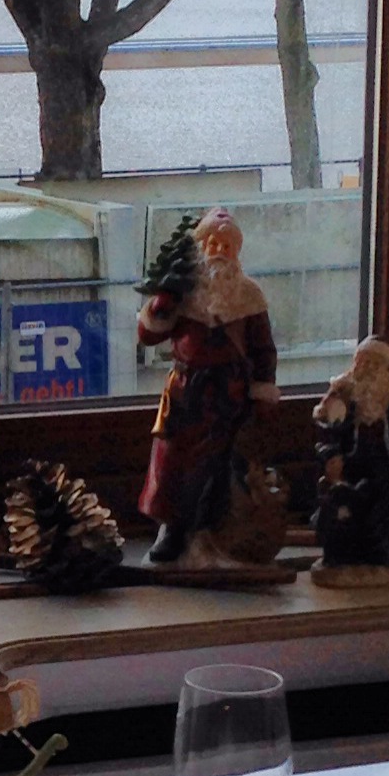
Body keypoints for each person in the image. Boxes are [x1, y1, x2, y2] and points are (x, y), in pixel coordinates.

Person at [138, 208, 279, 563]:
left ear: (237, 251)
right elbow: (149, 335)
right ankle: (172, 527)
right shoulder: (185, 292)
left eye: (227, 245)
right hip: (186, 393)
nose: (219, 251)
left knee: (222, 466)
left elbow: (263, 349)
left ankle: (214, 530)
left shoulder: (249, 295)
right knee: (172, 461)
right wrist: (161, 305)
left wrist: (262, 392)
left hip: (229, 395)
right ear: (201, 247)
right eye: (212, 243)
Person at [313, 337, 389, 570]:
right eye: (364, 361)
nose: (368, 368)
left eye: (375, 363)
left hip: (383, 464)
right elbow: (328, 427)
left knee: (383, 511)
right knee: (347, 509)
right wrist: (331, 454)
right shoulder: (344, 391)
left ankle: (382, 554)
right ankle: (346, 553)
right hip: (351, 463)